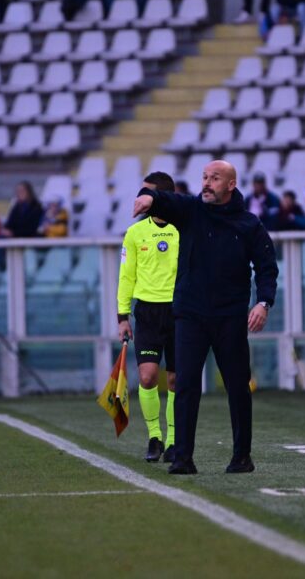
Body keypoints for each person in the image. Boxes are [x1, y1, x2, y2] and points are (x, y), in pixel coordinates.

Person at [133, 160, 278, 475]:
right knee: (185, 385)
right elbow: (172, 200)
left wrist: (263, 303)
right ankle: (183, 458)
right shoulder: (192, 211)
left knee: (238, 386)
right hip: (190, 315)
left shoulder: (249, 224)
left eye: (215, 178)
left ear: (230, 184)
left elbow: (267, 268)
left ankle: (242, 456)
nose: (207, 183)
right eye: (204, 177)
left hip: (230, 316)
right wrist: (151, 199)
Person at [118, 172, 179, 463]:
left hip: (181, 311)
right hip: (148, 312)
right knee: (147, 376)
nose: (141, 197)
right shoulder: (134, 233)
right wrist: (122, 316)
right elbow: (126, 276)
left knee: (177, 380)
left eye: (147, 192)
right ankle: (154, 437)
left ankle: (174, 440)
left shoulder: (184, 229)